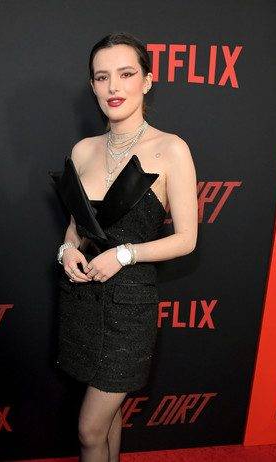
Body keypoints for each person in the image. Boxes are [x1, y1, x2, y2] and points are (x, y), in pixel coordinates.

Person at [48, 32, 198, 462]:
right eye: (102, 77)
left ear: (147, 81)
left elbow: (186, 239)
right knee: (109, 420)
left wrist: (125, 253)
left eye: (126, 74)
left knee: (89, 430)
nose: (113, 87)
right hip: (81, 302)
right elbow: (75, 227)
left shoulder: (171, 149)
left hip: (128, 309)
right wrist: (67, 251)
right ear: (93, 86)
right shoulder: (83, 150)